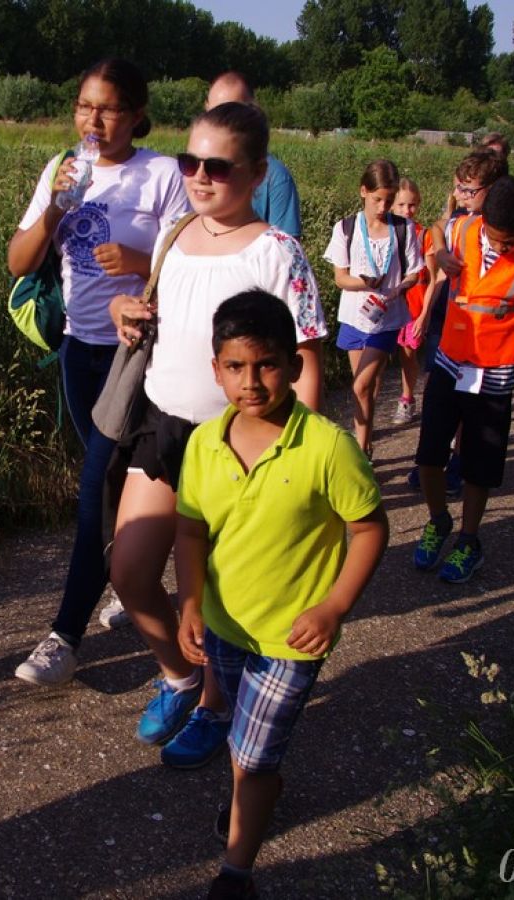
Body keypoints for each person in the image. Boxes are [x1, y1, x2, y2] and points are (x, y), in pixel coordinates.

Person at [108, 101, 326, 768]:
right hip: (164, 427)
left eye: (218, 167)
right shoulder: (174, 235)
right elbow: (157, 318)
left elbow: (307, 359)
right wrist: (125, 312)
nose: (199, 176)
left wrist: (298, 459)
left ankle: (214, 705)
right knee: (129, 570)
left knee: (212, 592)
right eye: (190, 161)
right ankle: (178, 676)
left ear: (257, 174)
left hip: (241, 442)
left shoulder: (276, 252)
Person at [174, 291, 387, 900]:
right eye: (235, 367)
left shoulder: (327, 446)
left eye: (266, 364)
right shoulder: (203, 443)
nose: (251, 382)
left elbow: (370, 528)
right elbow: (190, 530)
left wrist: (334, 606)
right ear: (216, 369)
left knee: (250, 758)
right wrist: (189, 602)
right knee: (246, 746)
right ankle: (257, 791)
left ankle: (235, 872)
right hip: (224, 627)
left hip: (291, 640)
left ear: (294, 365)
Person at [8, 58, 190, 686]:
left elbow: (187, 263)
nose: (93, 120)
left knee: (93, 495)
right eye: (84, 106)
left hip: (136, 355)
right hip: (77, 351)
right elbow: (18, 261)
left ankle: (64, 636)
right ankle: (131, 577)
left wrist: (138, 260)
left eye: (108, 108)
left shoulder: (162, 174)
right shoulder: (62, 168)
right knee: (112, 487)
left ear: (136, 115)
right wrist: (54, 210)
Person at [415, 177, 514, 583]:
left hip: (496, 372)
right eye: (494, 238)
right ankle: (438, 520)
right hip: (450, 362)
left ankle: (468, 541)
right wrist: (441, 253)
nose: (500, 247)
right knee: (428, 456)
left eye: (509, 242)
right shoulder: (463, 229)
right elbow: (437, 228)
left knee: (480, 465)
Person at [413, 148, 510, 497]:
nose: (461, 196)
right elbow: (439, 225)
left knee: (472, 408)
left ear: (493, 190)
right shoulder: (461, 222)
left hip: (488, 345)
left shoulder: (508, 231)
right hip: (452, 332)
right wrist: (440, 251)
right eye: (458, 188)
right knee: (440, 402)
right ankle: (434, 465)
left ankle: (459, 462)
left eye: (470, 190)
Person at [322, 160, 422, 456]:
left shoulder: (403, 228)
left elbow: (414, 273)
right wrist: (363, 282)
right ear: (363, 191)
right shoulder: (346, 228)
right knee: (365, 387)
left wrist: (398, 289)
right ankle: (366, 441)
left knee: (361, 386)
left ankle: (361, 452)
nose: (383, 207)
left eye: (389, 201)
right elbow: (340, 278)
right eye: (377, 199)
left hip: (386, 319)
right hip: (354, 316)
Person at [205, 72, 302, 240]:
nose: (222, 121)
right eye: (216, 113)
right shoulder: (193, 170)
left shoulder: (275, 178)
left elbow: (287, 248)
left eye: (233, 112)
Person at [391, 178, 436, 426]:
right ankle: (407, 398)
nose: (407, 210)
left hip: (418, 304)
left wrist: (425, 313)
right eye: (401, 205)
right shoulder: (386, 233)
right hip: (397, 304)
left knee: (421, 354)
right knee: (406, 354)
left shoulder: (423, 235)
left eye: (412, 205)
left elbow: (433, 277)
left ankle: (421, 400)